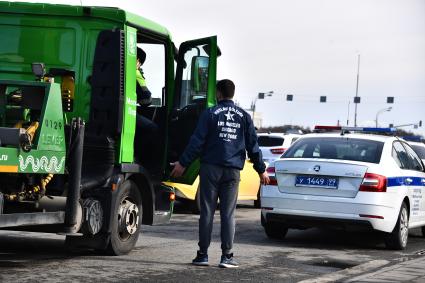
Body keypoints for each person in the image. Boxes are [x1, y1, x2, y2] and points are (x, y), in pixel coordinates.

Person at [171, 79, 269, 268]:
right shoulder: (244, 116)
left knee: (207, 211)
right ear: (232, 93)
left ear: (218, 93)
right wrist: (261, 170)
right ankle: (227, 257)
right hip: (232, 171)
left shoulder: (210, 113)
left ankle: (203, 255)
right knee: (228, 214)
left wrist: (183, 163)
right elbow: (253, 146)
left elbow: (197, 141)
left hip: (210, 168)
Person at [134, 47, 158, 165]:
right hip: (126, 113)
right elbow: (147, 99)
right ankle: (137, 157)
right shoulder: (135, 72)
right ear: (137, 60)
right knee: (152, 128)